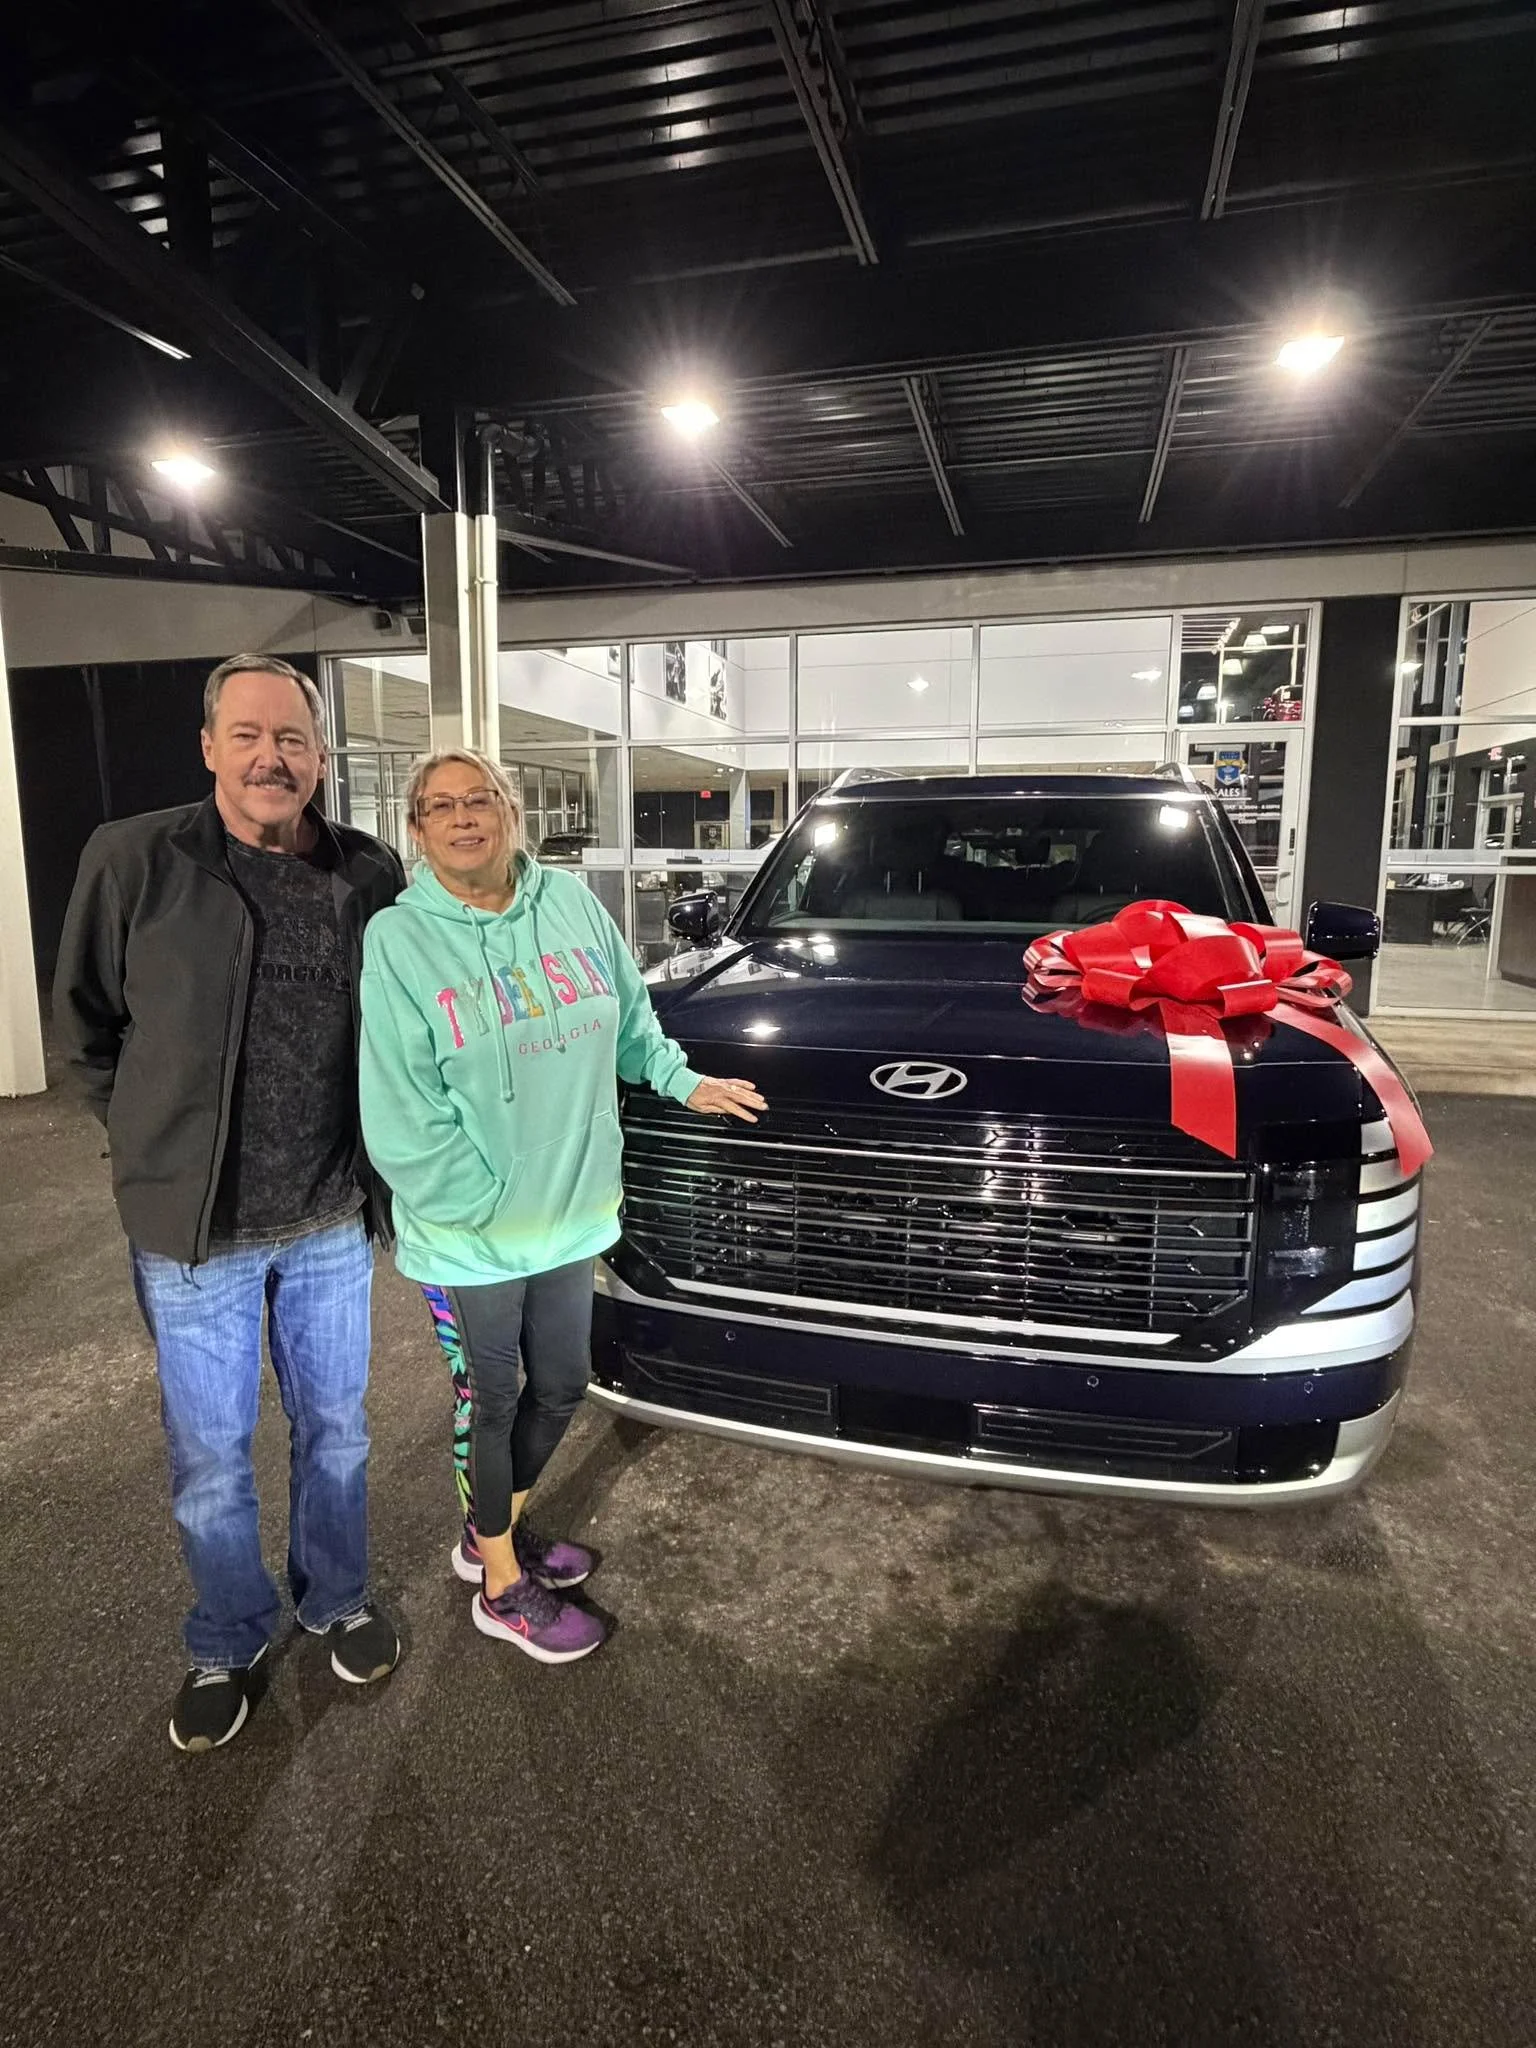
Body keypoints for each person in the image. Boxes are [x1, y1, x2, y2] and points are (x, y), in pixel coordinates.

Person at [54, 653, 404, 1751]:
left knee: (338, 1431)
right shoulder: (135, 859)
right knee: (210, 1455)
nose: (270, 756)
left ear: (320, 756)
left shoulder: (368, 872)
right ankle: (227, 1634)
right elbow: (85, 1027)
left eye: (291, 737)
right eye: (247, 734)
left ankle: (335, 1596)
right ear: (208, 746)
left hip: (329, 1218)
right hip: (194, 1236)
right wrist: (149, 1144)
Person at [359, 747, 765, 1664]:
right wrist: (484, 1202)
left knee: (561, 1386)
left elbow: (630, 1022)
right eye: (439, 807)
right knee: (494, 1398)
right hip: (471, 1232)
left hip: (571, 1212)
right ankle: (500, 1583)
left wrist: (683, 1080)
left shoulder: (573, 905)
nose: (463, 818)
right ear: (417, 830)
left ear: (511, 812)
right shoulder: (399, 941)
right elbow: (400, 1109)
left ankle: (492, 1529)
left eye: (479, 799)